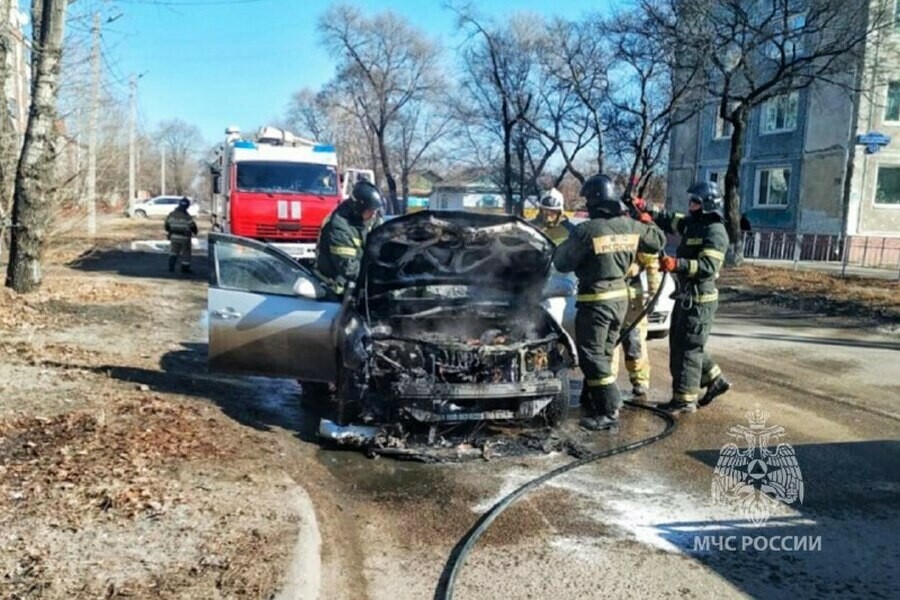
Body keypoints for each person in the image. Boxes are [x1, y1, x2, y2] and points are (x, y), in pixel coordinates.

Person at [553, 173, 665, 431]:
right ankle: (594, 401)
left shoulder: (586, 231)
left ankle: (610, 408)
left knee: (591, 355)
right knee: (603, 353)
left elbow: (562, 263)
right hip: (620, 300)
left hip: (596, 301)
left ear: (594, 202)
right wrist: (647, 218)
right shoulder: (630, 226)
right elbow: (657, 241)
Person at [652, 181, 731, 413]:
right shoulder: (693, 225)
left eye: (695, 202)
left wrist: (677, 264)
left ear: (707, 204)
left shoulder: (715, 231)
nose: (690, 205)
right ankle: (715, 379)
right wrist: (645, 209)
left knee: (688, 349)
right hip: (686, 296)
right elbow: (669, 219)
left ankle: (685, 401)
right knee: (684, 344)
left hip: (699, 300)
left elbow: (707, 266)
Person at [314, 180, 384, 296]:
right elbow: (348, 268)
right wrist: (380, 275)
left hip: (360, 281)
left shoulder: (371, 218)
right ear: (358, 209)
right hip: (335, 286)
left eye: (376, 211)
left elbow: (384, 241)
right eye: (370, 211)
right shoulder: (338, 226)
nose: (374, 215)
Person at [164, 197, 198, 274]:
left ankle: (171, 267)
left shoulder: (171, 215)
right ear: (187, 206)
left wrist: (170, 231)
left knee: (173, 252)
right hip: (185, 238)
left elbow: (166, 226)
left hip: (174, 236)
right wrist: (195, 232)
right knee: (186, 253)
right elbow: (193, 227)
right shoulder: (187, 217)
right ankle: (185, 268)